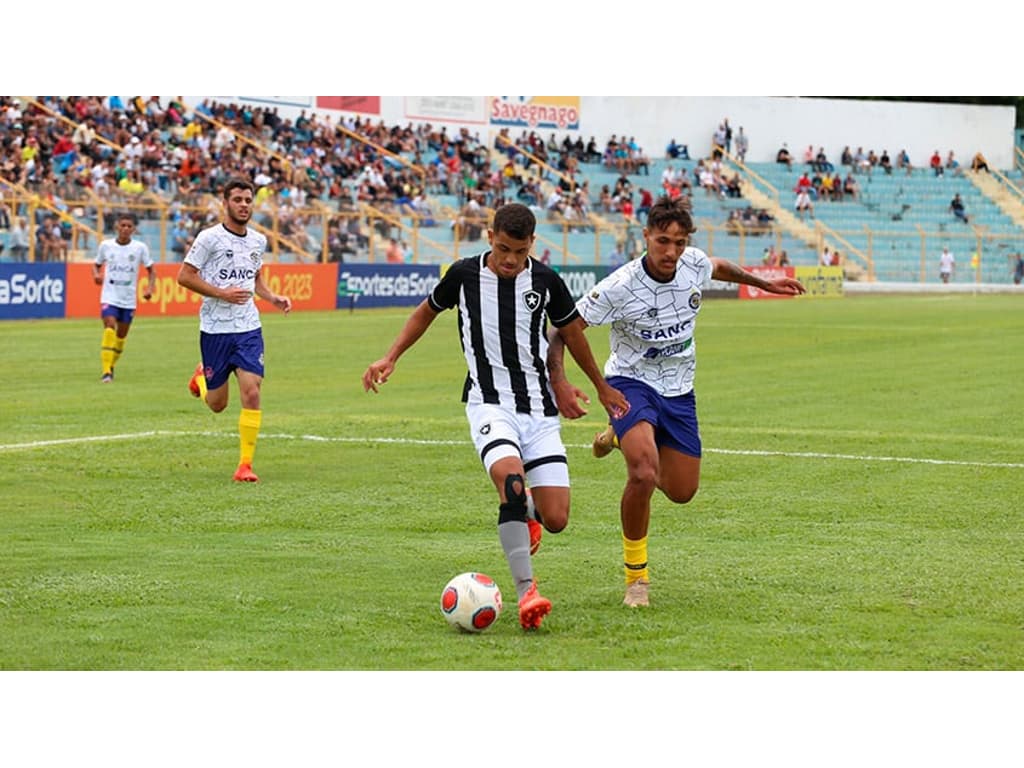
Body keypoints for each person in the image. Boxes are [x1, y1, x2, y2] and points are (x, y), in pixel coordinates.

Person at [361, 203, 629, 630]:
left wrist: (597, 385)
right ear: (490, 236)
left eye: (519, 252)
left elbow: (572, 334)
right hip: (489, 403)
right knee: (510, 480)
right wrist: (391, 357)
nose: (509, 260)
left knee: (556, 518)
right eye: (503, 248)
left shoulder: (545, 281)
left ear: (532, 246)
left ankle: (528, 518)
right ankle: (528, 592)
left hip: (539, 411)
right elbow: (425, 313)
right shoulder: (464, 275)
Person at [546, 196, 805, 608]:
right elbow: (562, 330)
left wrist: (765, 283)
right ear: (646, 236)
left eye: (679, 243)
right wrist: (565, 381)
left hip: (680, 389)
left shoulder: (692, 264)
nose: (671, 252)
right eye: (663, 241)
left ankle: (616, 438)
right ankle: (637, 581)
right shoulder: (619, 286)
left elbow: (719, 266)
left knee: (682, 491)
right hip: (629, 383)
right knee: (644, 473)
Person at [177, 177, 293, 483]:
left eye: (248, 200)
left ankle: (245, 465)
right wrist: (220, 292)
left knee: (252, 391)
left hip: (248, 327)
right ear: (225, 203)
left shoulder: (258, 241)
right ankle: (201, 378)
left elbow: (255, 280)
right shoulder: (209, 239)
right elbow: (184, 276)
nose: (244, 205)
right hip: (215, 329)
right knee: (217, 405)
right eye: (238, 200)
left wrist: (272, 297)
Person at [91, 212, 156, 383]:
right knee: (109, 326)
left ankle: (111, 365)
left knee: (120, 337)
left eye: (129, 226)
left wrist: (150, 287)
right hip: (109, 296)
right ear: (116, 227)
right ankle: (106, 372)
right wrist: (96, 275)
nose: (125, 229)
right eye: (122, 225)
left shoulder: (140, 248)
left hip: (128, 299)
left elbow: (151, 269)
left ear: (134, 229)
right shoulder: (106, 246)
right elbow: (96, 265)